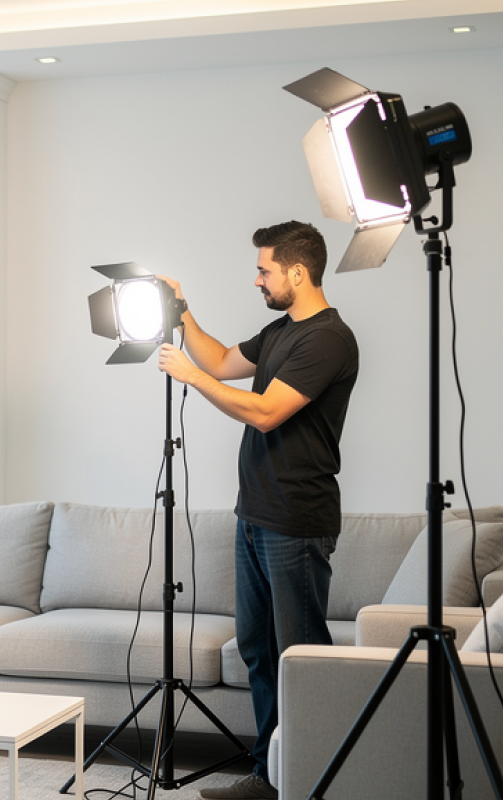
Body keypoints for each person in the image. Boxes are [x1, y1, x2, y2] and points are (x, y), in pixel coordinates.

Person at [157, 220, 358, 800]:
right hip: (256, 516)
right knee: (259, 652)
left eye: (265, 269)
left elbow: (267, 412)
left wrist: (188, 376)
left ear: (298, 272)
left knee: (299, 658)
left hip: (297, 522)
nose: (257, 279)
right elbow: (220, 361)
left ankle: (314, 779)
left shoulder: (329, 339)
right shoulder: (279, 331)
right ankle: (272, 778)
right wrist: (183, 311)